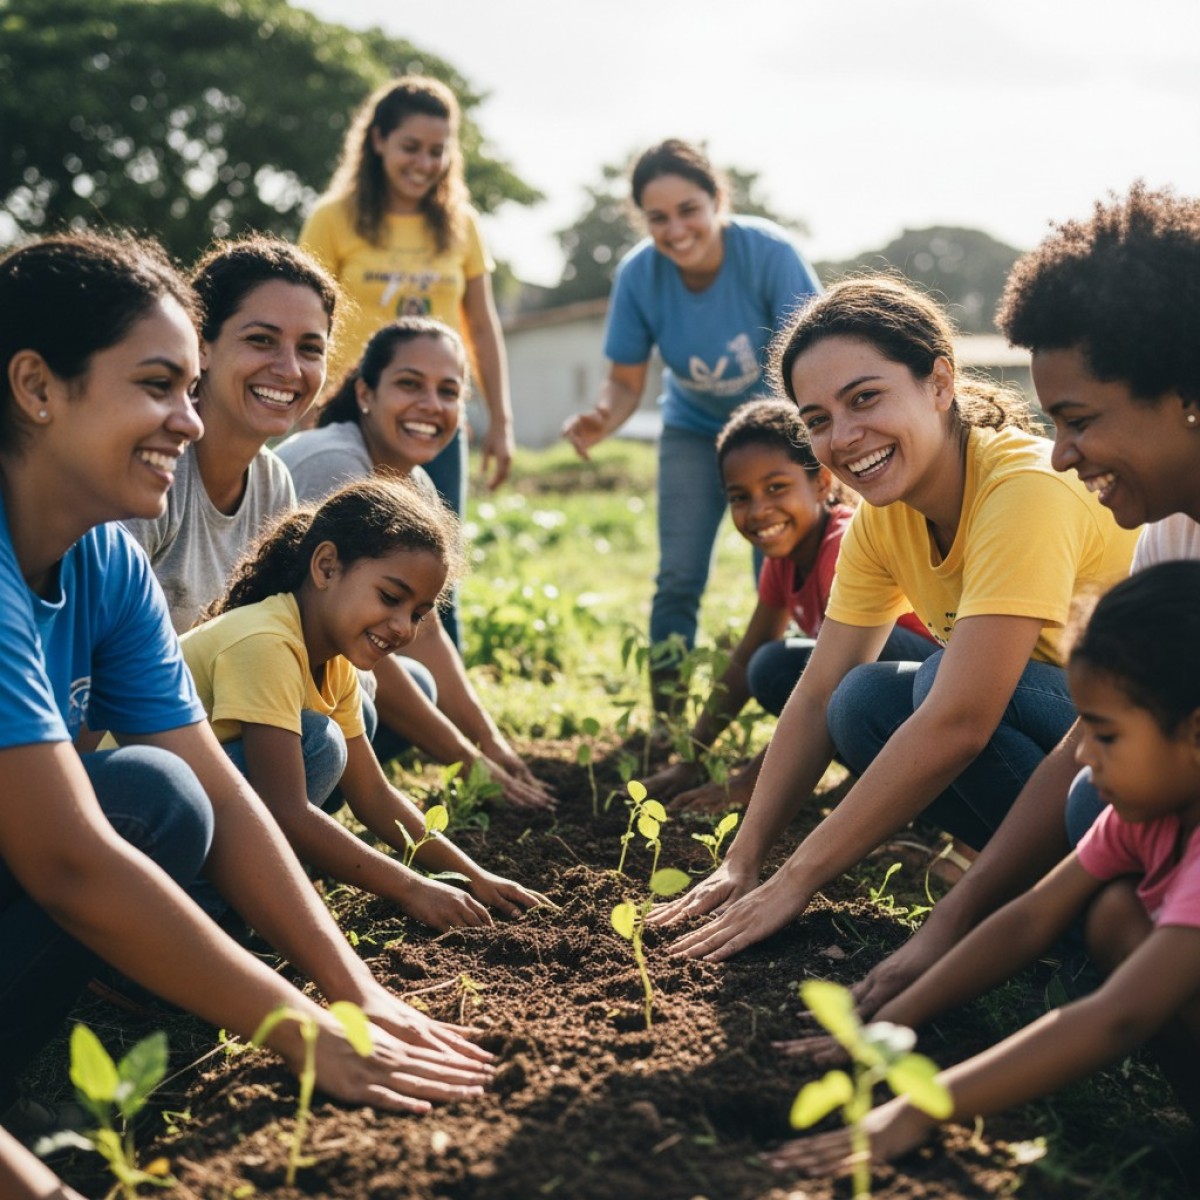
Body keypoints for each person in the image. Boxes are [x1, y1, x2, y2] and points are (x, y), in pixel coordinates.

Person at [0, 233, 496, 1142]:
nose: (187, 422)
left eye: (187, 391)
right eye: (158, 387)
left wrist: (357, 991)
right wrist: (296, 1029)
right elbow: (68, 859)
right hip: (39, 849)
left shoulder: (105, 557)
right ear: (35, 388)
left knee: (172, 794)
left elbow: (224, 791)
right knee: (146, 796)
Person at [649, 275, 1140, 959]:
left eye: (865, 398)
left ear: (940, 383)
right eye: (817, 419)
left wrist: (799, 880)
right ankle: (1049, 906)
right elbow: (817, 691)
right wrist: (744, 858)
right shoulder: (881, 520)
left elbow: (962, 719)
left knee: (933, 685)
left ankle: (1095, 903)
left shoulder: (1022, 488)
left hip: (1150, 747)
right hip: (1064, 744)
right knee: (860, 701)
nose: (845, 437)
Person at [830, 185, 1200, 1024]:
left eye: (1078, 420)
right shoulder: (1173, 532)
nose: (1062, 454)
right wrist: (945, 934)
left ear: (1184, 393)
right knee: (1102, 874)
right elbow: (1077, 743)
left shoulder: (1031, 491)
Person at [768, 562, 1200, 1177]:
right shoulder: (1148, 812)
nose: (1080, 756)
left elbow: (1121, 1015)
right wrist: (892, 1022)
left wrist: (924, 1106)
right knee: (1112, 915)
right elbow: (1027, 920)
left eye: (1104, 735)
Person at [180, 475, 547, 926]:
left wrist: (471, 876)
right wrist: (412, 890)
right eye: (390, 598)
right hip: (146, 823)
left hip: (195, 816)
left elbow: (372, 794)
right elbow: (286, 811)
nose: (403, 628)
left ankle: (235, 909)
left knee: (322, 743)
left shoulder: (334, 662)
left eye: (417, 614)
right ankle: (203, 917)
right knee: (319, 743)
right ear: (327, 566)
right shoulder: (266, 641)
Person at [561, 139, 822, 710]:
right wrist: (601, 418)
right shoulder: (639, 276)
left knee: (783, 565)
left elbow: (814, 357)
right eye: (658, 218)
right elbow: (626, 382)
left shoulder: (769, 254)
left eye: (688, 210)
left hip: (775, 431)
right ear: (643, 221)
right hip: (694, 430)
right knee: (678, 574)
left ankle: (798, 712)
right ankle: (669, 716)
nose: (676, 229)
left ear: (717, 201)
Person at [277, 318, 554, 810]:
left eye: (449, 392)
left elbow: (426, 635)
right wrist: (470, 764)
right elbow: (346, 637)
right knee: (368, 696)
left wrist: (492, 745)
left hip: (303, 681)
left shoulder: (414, 484)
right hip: (255, 680)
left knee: (419, 685)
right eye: (409, 384)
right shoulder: (335, 464)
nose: (431, 405)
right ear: (366, 392)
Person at [300, 74, 514, 649]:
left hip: (432, 422)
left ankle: (444, 696)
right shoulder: (334, 218)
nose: (425, 162)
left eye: (437, 150)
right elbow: (306, 314)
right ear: (378, 142)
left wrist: (501, 422)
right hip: (350, 417)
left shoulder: (461, 224)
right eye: (411, 147)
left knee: (435, 559)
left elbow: (483, 327)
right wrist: (303, 414)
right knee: (340, 560)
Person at [642, 399, 936, 813]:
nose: (759, 510)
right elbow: (746, 657)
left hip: (936, 691)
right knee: (769, 664)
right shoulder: (785, 559)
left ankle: (917, 796)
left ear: (821, 482)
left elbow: (839, 675)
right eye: (740, 497)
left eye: (776, 487)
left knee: (854, 659)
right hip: (883, 698)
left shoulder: (844, 546)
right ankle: (870, 773)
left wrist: (748, 784)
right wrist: (691, 760)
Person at [123, 235, 335, 633]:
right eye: (261, 340)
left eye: (310, 349)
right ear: (201, 345)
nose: (290, 370)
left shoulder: (273, 484)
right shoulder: (157, 461)